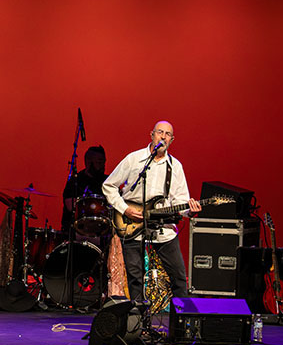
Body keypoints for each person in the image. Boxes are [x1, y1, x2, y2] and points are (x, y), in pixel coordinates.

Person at [101, 120, 201, 305]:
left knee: (178, 277)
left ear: (172, 140)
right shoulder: (134, 159)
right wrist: (125, 209)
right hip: (131, 224)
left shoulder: (175, 166)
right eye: (160, 132)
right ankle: (138, 319)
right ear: (152, 134)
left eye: (168, 134)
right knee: (135, 279)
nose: (163, 137)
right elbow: (109, 186)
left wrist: (190, 211)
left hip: (163, 229)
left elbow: (180, 201)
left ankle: (180, 319)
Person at [61, 145, 107, 232]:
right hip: (76, 231)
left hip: (101, 231)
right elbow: (70, 206)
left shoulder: (107, 182)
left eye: (104, 162)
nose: (103, 166)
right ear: (89, 162)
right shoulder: (75, 181)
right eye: (99, 162)